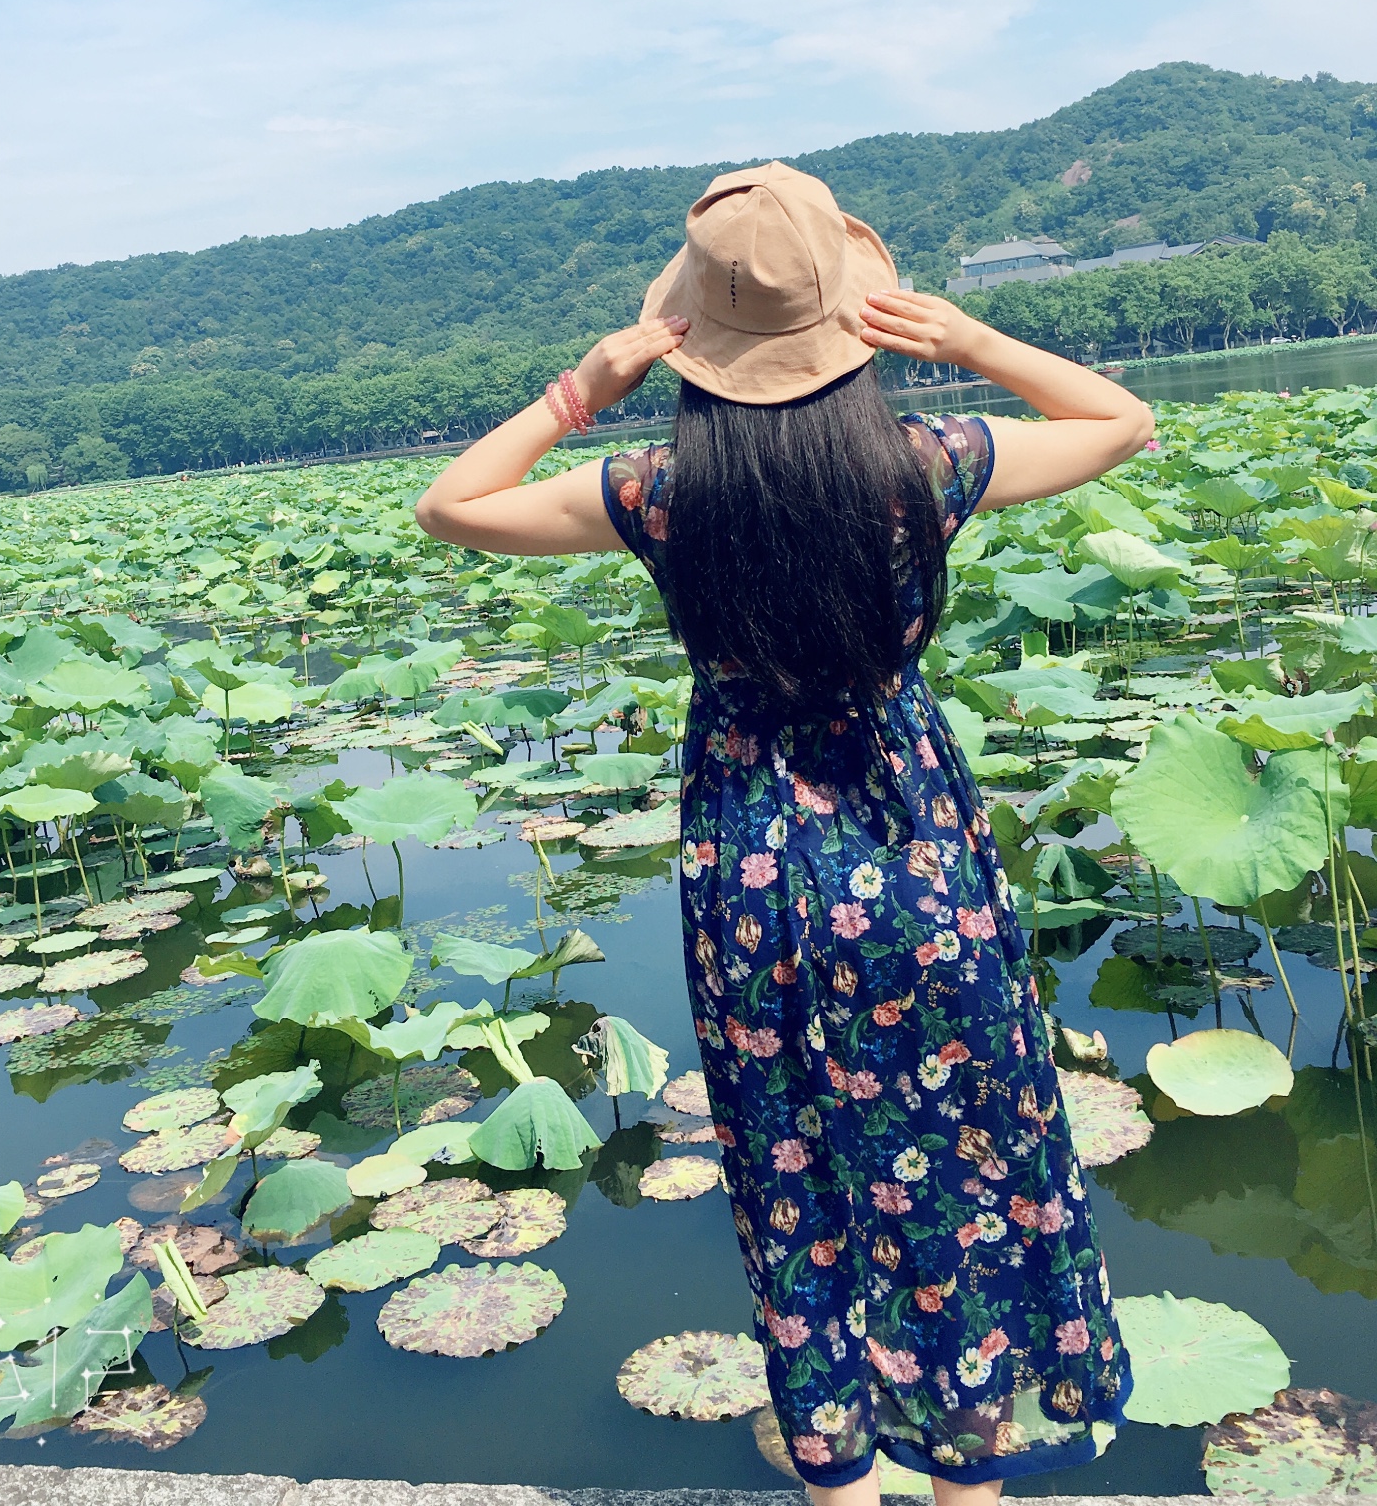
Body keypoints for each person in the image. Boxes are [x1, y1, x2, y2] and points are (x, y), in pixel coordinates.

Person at [416, 163, 1152, 1506]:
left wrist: (581, 391)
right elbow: (1122, 417)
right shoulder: (928, 466)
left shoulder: (657, 491)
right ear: (854, 316)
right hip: (918, 863)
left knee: (794, 1183)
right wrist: (972, 340)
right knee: (962, 1170)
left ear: (698, 333)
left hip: (754, 883)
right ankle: (967, 1483)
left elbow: (452, 506)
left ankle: (840, 1482)